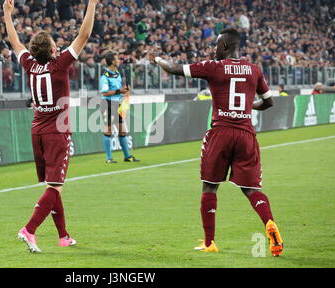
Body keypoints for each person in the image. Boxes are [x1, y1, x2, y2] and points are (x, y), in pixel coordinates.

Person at [151, 28, 284, 257]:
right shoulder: (254, 70)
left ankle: (210, 242)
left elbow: (173, 68)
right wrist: (247, 107)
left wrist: (156, 58)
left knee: (210, 186)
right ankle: (269, 222)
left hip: (221, 132)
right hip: (245, 134)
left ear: (223, 46)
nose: (214, 50)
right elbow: (269, 102)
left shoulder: (213, 66)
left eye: (216, 45)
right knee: (252, 189)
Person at [2, 0, 100, 253]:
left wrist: (8, 15)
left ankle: (63, 236)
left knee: (54, 186)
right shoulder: (59, 65)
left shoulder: (29, 65)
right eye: (57, 44)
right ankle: (29, 229)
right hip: (58, 133)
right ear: (53, 49)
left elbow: (15, 42)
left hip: (38, 131)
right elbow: (84, 34)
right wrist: (91, 3)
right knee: (55, 187)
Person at [100, 51, 140, 163]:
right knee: (108, 131)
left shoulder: (117, 73)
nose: (119, 60)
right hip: (107, 104)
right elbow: (105, 93)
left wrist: (124, 90)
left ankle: (127, 156)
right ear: (112, 61)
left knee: (122, 131)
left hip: (116, 104)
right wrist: (120, 90)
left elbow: (118, 90)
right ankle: (109, 158)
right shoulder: (105, 76)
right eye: (117, 59)